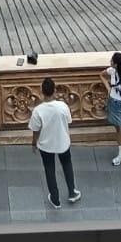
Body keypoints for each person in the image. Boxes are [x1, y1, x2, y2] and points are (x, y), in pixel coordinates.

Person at [28, 77, 81, 209]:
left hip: (46, 145)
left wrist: (34, 143)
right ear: (55, 91)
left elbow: (35, 130)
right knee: (67, 165)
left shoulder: (38, 111)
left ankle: (55, 199)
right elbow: (69, 121)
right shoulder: (63, 106)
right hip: (63, 142)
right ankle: (72, 192)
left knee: (49, 169)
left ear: (42, 91)